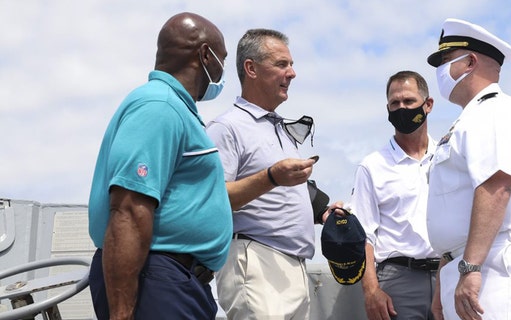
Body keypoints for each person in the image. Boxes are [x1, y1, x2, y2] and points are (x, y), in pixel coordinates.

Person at [87, 12, 232, 320]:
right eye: (222, 59)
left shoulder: (174, 108)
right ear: (205, 55)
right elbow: (128, 208)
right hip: (157, 281)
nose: (222, 71)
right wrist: (122, 315)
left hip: (175, 282)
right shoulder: (160, 107)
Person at [425, 18, 511, 320]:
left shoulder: (496, 111)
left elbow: (496, 188)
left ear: (469, 61)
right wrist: (447, 275)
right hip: (472, 264)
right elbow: (455, 207)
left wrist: (470, 267)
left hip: (496, 265)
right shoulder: (470, 119)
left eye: (445, 60)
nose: (440, 71)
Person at [206, 28, 338, 320]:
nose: (292, 73)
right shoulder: (227, 128)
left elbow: (281, 196)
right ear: (250, 68)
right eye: (281, 64)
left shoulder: (278, 129)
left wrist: (325, 213)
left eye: (291, 65)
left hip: (293, 267)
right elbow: (212, 200)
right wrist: (272, 177)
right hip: (255, 262)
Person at [350, 71, 439, 320]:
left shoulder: (448, 157)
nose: (402, 108)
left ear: (428, 105)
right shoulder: (372, 166)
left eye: (409, 102)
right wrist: (371, 291)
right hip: (399, 283)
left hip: (447, 274)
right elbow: (363, 235)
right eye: (394, 103)